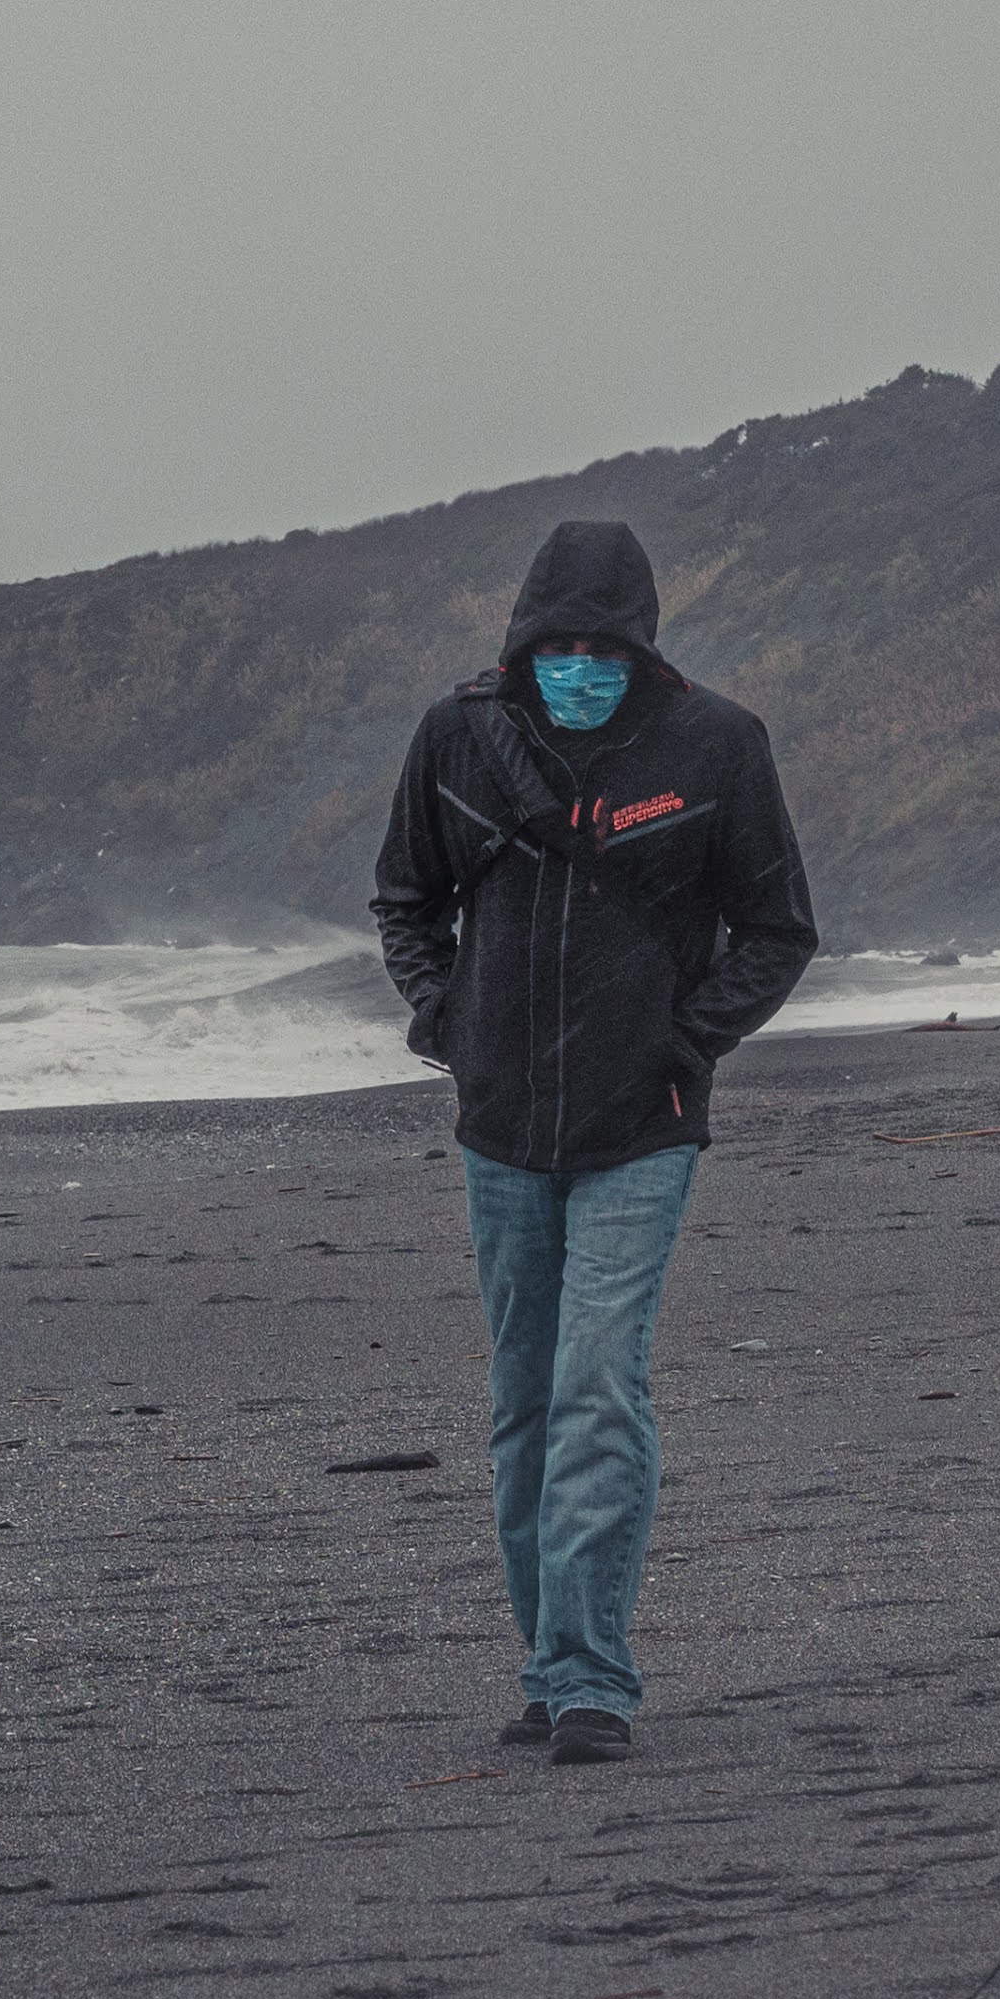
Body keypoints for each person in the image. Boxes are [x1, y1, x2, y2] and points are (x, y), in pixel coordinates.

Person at [371, 520, 817, 1765]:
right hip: (500, 1127)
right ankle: (548, 1663)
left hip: (644, 1125)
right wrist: (446, 1019)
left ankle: (589, 1681)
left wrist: (688, 1042)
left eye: (603, 649)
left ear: (641, 646)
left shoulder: (717, 744)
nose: (581, 666)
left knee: (597, 1385)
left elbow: (778, 930)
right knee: (524, 1401)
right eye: (559, 648)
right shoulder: (456, 738)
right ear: (524, 641)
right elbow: (405, 897)